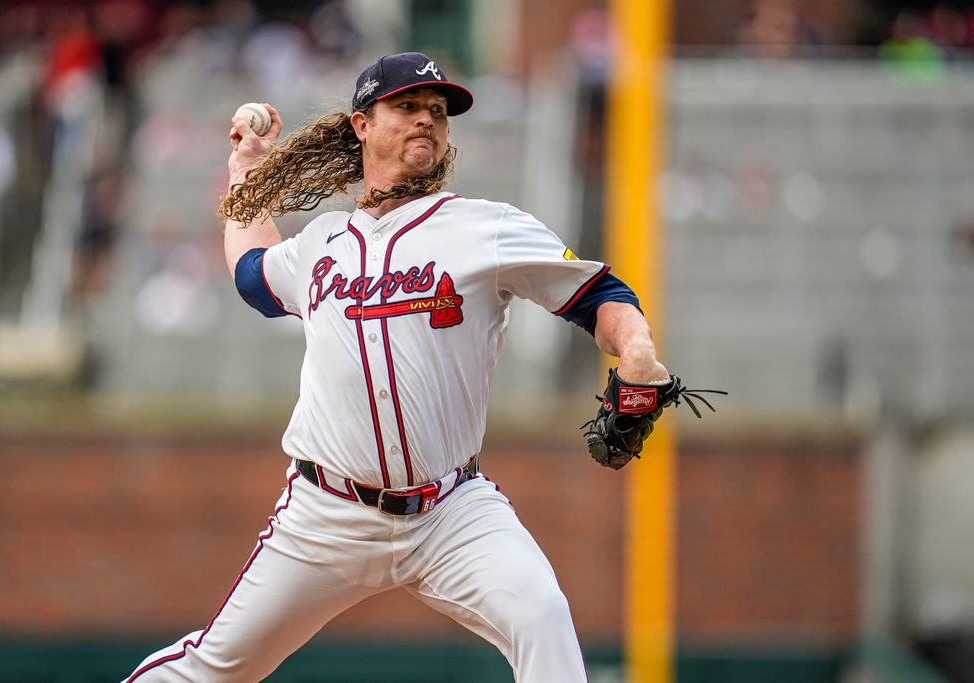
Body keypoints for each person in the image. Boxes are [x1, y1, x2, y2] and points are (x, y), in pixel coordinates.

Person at [124, 51, 668, 683]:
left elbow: (599, 296)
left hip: (452, 510)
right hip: (328, 514)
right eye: (407, 107)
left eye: (437, 112)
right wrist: (246, 173)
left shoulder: (484, 228)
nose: (426, 122)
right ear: (362, 125)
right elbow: (252, 275)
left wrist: (636, 349)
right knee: (214, 668)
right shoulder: (323, 243)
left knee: (542, 618)